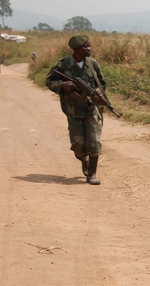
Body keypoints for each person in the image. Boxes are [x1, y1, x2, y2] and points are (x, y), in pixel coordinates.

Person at [45, 35, 107, 184]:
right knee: (78, 146)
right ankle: (83, 160)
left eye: (89, 46)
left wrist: (97, 92)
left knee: (94, 142)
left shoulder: (93, 64)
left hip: (92, 108)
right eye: (85, 47)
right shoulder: (64, 64)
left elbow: (101, 83)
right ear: (76, 49)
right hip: (73, 111)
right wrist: (62, 85)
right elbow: (49, 81)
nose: (89, 49)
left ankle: (91, 174)